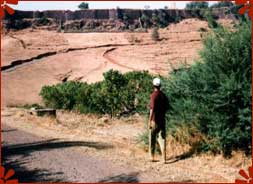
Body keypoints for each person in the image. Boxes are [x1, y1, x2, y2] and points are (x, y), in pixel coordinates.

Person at [149, 77, 169, 163]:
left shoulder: (154, 95)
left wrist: (150, 120)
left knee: (152, 137)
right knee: (162, 139)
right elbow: (167, 107)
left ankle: (152, 157)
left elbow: (152, 108)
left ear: (153, 85)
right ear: (160, 85)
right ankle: (164, 158)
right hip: (162, 120)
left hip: (155, 120)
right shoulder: (163, 95)